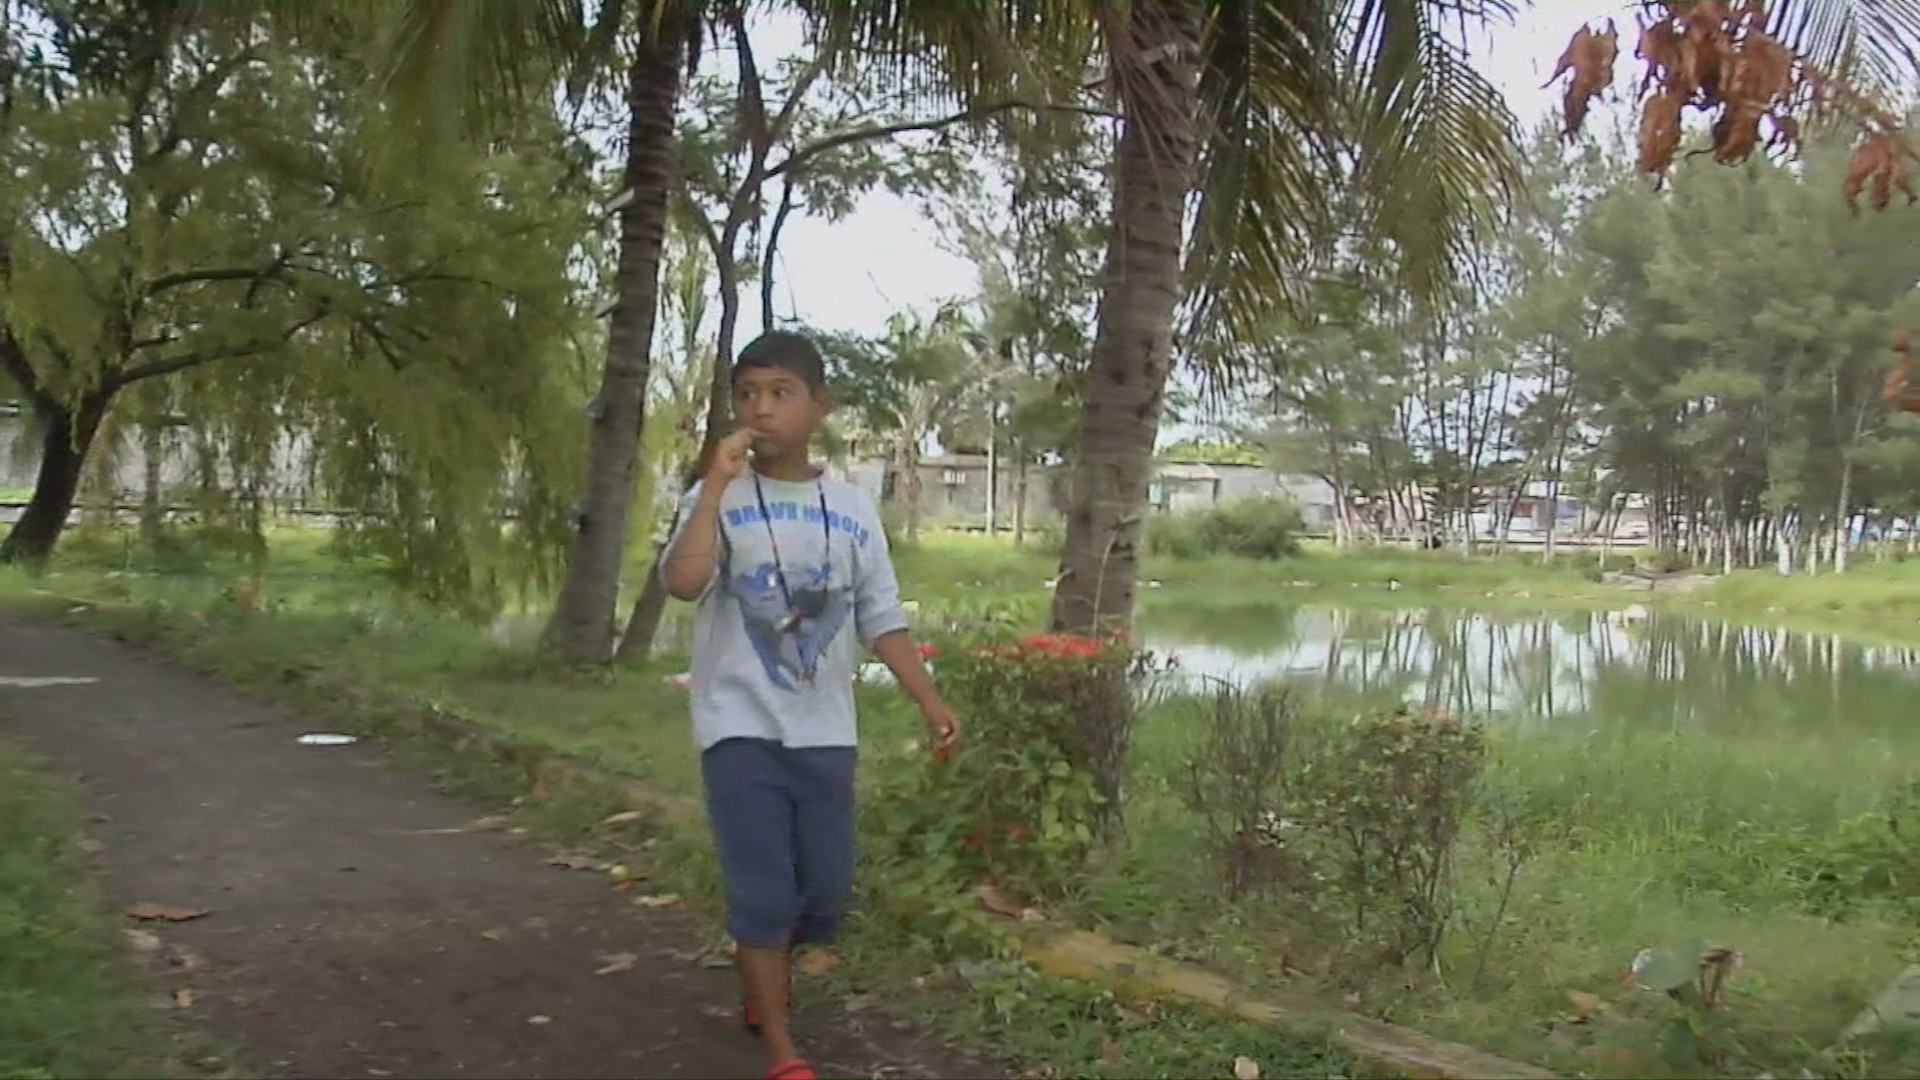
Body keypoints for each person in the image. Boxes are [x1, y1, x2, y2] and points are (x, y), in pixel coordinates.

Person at [661, 330, 961, 1080]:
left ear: (819, 405)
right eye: (747, 395)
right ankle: (782, 1050)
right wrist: (714, 487)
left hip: (826, 733)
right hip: (739, 727)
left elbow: (880, 616)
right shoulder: (716, 496)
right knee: (763, 888)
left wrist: (928, 700)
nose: (761, 410)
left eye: (780, 394)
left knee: (822, 895)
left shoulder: (853, 508)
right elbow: (684, 583)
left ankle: (769, 969)